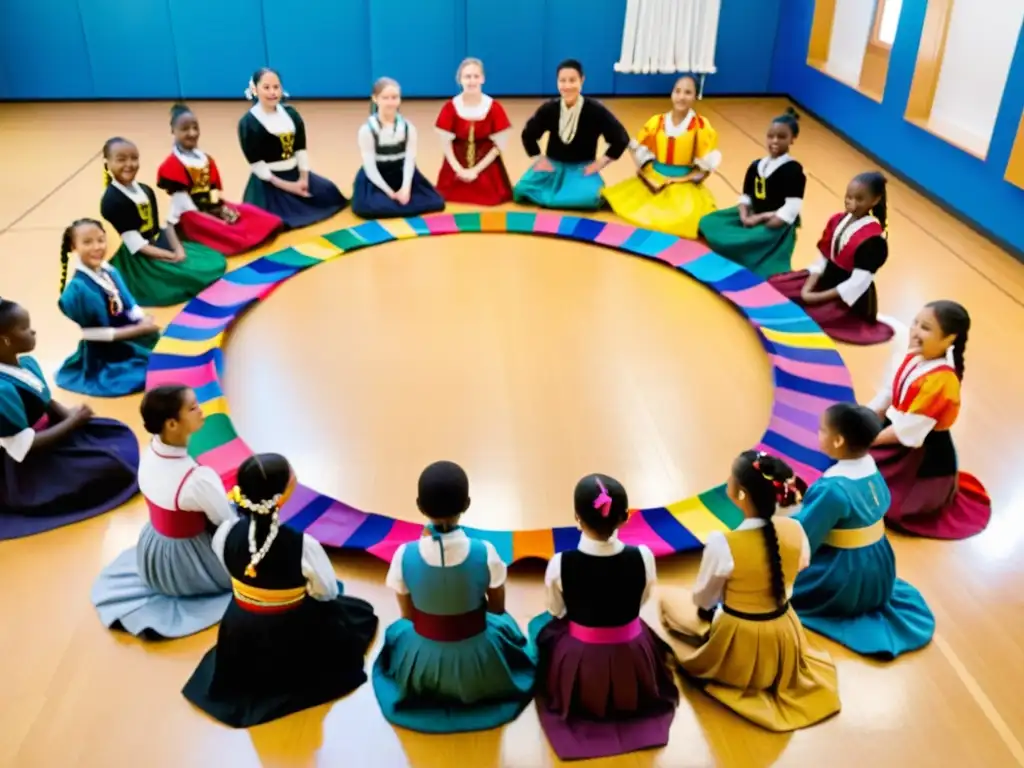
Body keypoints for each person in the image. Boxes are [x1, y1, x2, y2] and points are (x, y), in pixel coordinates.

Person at [182, 453, 378, 728]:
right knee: (354, 615)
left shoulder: (225, 532)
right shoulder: (302, 545)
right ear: (282, 497)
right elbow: (326, 592)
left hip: (240, 628)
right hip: (293, 630)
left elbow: (232, 570)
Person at [659, 451, 840, 732]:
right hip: (785, 630)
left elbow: (703, 598)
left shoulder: (724, 542)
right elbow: (802, 563)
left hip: (738, 634)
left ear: (740, 495)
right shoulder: (795, 529)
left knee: (669, 600)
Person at [372, 460, 536, 733]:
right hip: (479, 657)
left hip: (422, 654)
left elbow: (407, 616)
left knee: (396, 632)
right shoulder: (485, 551)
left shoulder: (404, 554)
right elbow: (497, 609)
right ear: (467, 503)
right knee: (508, 630)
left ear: (420, 506)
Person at [529, 473, 678, 761]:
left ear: (577, 518)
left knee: (543, 632)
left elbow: (556, 610)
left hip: (581, 660)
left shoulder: (561, 563)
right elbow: (643, 599)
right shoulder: (643, 556)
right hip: (633, 654)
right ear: (624, 517)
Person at [90, 386, 236, 638]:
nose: (201, 411)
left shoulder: (150, 454)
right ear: (171, 424)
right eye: (192, 408)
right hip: (192, 561)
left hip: (154, 554)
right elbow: (225, 521)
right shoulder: (197, 479)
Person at [792, 403, 935, 658]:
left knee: (776, 580)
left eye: (822, 430)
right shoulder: (872, 470)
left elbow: (803, 536)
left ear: (837, 441)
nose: (818, 434)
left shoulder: (833, 489)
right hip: (879, 568)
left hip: (845, 577)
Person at [0, 299, 138, 540]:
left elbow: (44, 399)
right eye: (24, 328)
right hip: (29, 463)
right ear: (5, 340)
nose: (33, 331)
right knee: (107, 469)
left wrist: (68, 415)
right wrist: (73, 423)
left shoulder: (27, 364)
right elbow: (22, 447)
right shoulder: (3, 391)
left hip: (52, 434)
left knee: (111, 437)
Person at [868, 301, 991, 539]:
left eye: (925, 327)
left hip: (918, 454)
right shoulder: (914, 356)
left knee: (882, 497)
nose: (915, 331)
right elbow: (888, 394)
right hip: (898, 431)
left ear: (949, 339)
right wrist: (864, 417)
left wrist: (866, 440)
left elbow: (908, 433)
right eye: (915, 322)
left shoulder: (941, 383)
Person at [768, 172, 894, 345]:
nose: (852, 203)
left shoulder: (873, 241)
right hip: (826, 278)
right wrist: (808, 288)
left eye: (860, 199)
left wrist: (816, 298)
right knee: (777, 287)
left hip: (847, 295)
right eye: (849, 197)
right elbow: (821, 260)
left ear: (874, 200)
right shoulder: (836, 220)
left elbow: (857, 283)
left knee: (807, 317)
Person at [99, 137, 226, 307]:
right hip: (140, 258)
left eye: (134, 158)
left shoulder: (145, 190)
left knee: (209, 262)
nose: (129, 164)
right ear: (107, 163)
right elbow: (138, 246)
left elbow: (160, 226)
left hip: (157, 243)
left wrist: (177, 247)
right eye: (121, 159)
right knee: (187, 277)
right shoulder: (112, 202)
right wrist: (171, 256)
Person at [602, 75, 720, 239]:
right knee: (625, 201)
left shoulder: (700, 127)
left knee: (685, 215)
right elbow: (643, 150)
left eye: (687, 92)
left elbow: (705, 163)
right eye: (677, 91)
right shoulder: (657, 122)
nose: (681, 97)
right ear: (671, 94)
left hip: (681, 181)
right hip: (654, 176)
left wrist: (690, 177)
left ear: (695, 96)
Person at [157, 103, 282, 255]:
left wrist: (220, 209)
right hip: (191, 216)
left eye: (195, 128)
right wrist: (215, 218)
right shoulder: (172, 165)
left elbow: (213, 192)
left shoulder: (206, 160)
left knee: (248, 212)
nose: (192, 133)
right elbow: (185, 205)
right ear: (173, 131)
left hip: (210, 208)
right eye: (185, 129)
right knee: (224, 230)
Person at [55, 218, 160, 397]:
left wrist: (141, 318)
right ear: (73, 247)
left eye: (101, 240)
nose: (97, 247)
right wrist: (138, 330)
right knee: (145, 372)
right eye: (87, 242)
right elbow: (93, 334)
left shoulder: (108, 270)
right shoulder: (77, 291)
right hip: (106, 352)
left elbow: (128, 301)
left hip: (129, 333)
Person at [699, 108, 807, 277]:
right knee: (709, 221)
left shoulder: (793, 170)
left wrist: (760, 219)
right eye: (771, 136)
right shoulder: (756, 165)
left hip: (775, 222)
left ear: (792, 139)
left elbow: (790, 210)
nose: (775, 141)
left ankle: (749, 250)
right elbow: (746, 196)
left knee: (751, 240)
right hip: (752, 213)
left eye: (782, 137)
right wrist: (744, 215)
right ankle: (740, 242)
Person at [238, 68, 348, 229]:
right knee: (270, 220)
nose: (272, 92)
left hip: (294, 173)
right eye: (266, 87)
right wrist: (289, 186)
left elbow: (300, 149)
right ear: (255, 89)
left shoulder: (291, 114)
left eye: (276, 87)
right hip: (270, 181)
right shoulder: (248, 123)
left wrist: (303, 178)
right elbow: (256, 165)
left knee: (329, 193)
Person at [514, 59, 630, 210]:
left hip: (581, 168)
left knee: (591, 197)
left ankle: (563, 196)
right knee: (521, 190)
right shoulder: (550, 109)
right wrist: (539, 159)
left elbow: (620, 138)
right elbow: (528, 134)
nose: (567, 86)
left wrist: (600, 163)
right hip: (553, 166)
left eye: (572, 80)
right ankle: (558, 196)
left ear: (582, 80)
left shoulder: (595, 110)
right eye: (562, 81)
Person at [351, 77, 446, 219]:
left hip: (401, 174)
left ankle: (400, 200)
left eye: (394, 97)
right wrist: (389, 192)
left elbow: (409, 161)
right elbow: (370, 167)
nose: (390, 102)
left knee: (436, 202)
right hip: (378, 177)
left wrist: (405, 189)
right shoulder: (368, 130)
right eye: (385, 98)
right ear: (375, 99)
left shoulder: (408, 127)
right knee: (368, 208)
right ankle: (390, 200)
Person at [434, 58, 513, 206]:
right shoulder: (450, 107)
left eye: (476, 76)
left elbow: (498, 147)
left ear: (482, 79)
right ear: (460, 80)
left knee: (490, 198)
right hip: (455, 166)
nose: (471, 81)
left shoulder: (494, 107)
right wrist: (459, 170)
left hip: (485, 166)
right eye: (467, 77)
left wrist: (475, 171)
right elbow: (446, 145)